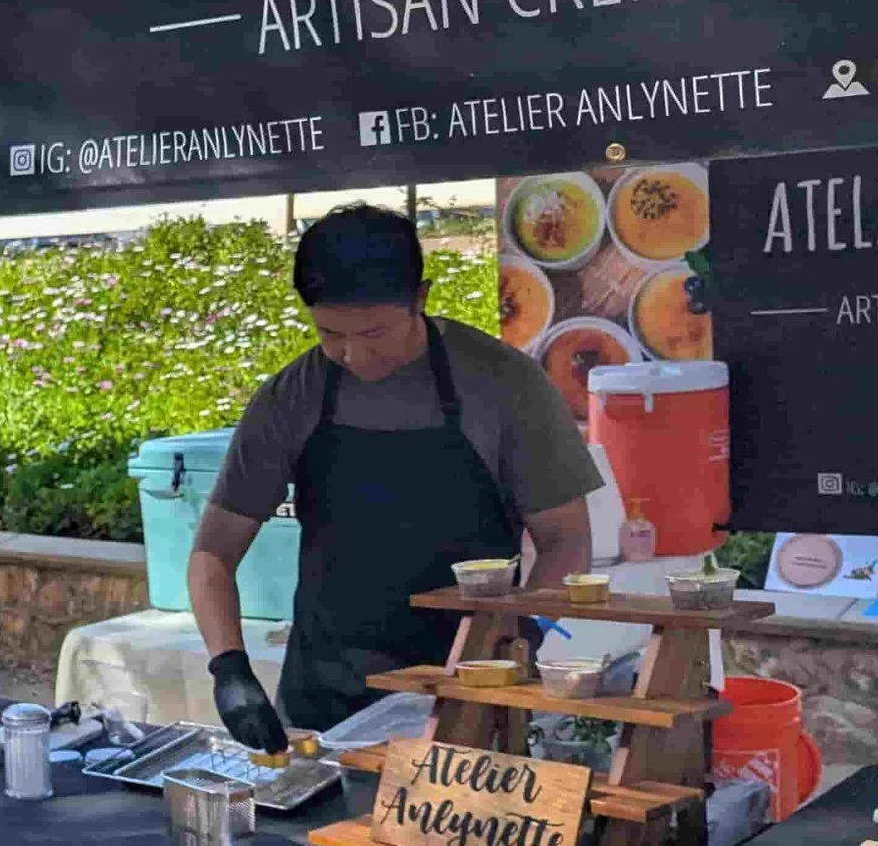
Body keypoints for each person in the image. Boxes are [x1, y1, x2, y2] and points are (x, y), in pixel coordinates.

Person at [186, 204, 599, 745]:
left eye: (376, 332)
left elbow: (566, 541)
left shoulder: (504, 385)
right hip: (324, 701)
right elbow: (213, 552)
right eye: (330, 333)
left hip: (469, 695)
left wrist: (520, 641)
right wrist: (229, 669)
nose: (353, 354)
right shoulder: (294, 395)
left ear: (421, 299)